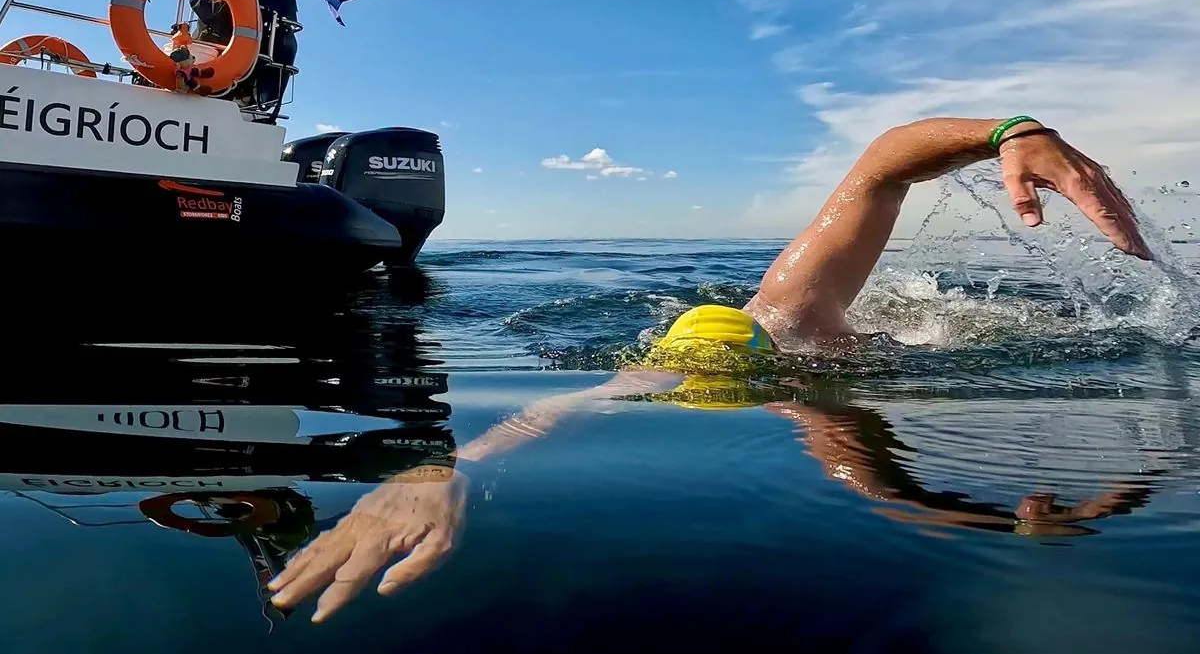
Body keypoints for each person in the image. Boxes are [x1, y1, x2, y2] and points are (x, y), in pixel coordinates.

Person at [264, 114, 1154, 621]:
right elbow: (570, 408)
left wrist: (1014, 130)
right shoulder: (743, 352)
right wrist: (441, 465)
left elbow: (883, 165)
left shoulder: (822, 324)